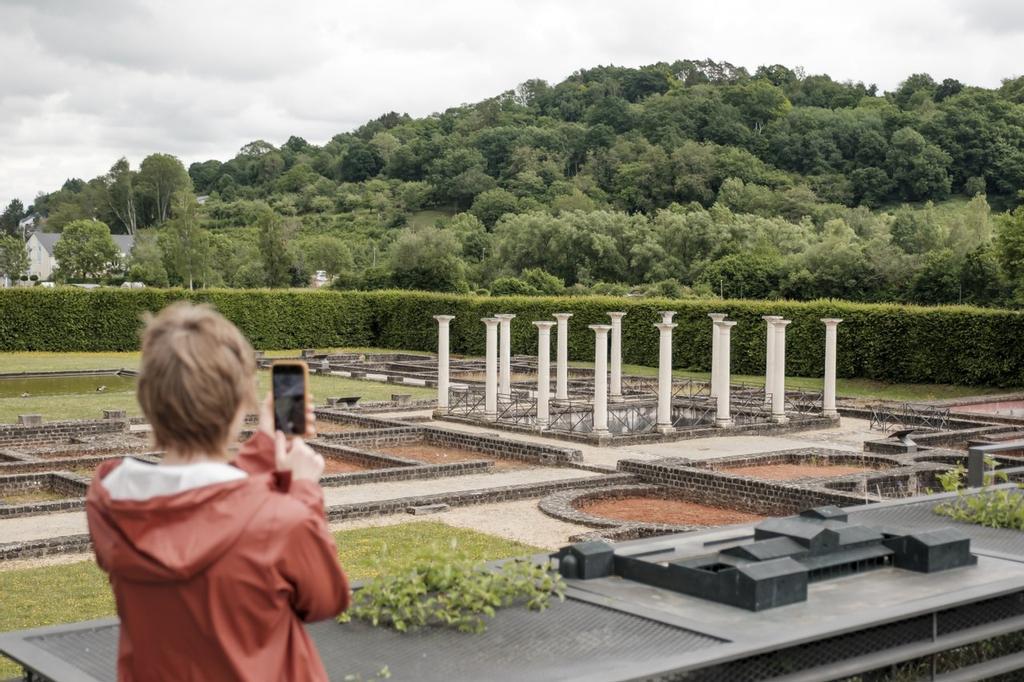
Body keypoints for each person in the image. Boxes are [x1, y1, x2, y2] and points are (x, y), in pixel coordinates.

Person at [86, 303, 350, 681]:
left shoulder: (109, 501)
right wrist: (304, 492)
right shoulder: (281, 519)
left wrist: (263, 448)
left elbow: (197, 503)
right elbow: (326, 600)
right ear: (239, 403)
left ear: (148, 401)